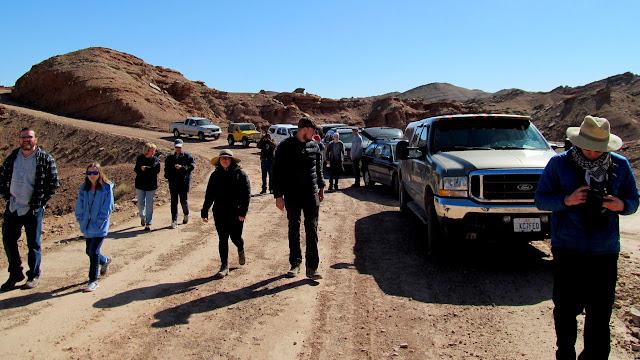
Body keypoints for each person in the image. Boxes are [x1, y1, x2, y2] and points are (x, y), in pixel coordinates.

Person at [535, 115, 639, 360]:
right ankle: (566, 353)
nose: (593, 153)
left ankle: (595, 356)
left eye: (599, 149)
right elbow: (540, 200)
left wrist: (621, 205)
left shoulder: (620, 166)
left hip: (605, 250)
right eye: (588, 147)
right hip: (568, 247)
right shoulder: (559, 164)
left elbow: (634, 201)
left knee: (600, 311)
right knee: (565, 308)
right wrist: (566, 201)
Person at [0, 127, 59, 291]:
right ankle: (15, 274)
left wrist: (40, 202)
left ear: (35, 139)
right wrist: (7, 196)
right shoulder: (13, 158)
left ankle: (33, 275)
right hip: (13, 207)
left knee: (33, 243)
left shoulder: (44, 158)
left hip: (33, 208)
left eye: (29, 137)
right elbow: (2, 177)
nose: (26, 140)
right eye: (23, 137)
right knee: (8, 239)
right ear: (19, 139)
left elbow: (53, 183)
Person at [272, 117, 325, 280]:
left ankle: (312, 268)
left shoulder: (314, 145)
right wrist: (278, 196)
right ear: (304, 129)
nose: (315, 133)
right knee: (293, 229)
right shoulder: (285, 147)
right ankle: (295, 263)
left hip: (311, 194)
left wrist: (321, 188)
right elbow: (276, 172)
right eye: (313, 130)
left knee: (312, 229)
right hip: (292, 195)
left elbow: (318, 168)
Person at [201, 150, 251, 279]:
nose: (224, 160)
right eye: (222, 158)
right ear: (219, 160)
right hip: (220, 211)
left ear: (231, 160)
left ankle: (240, 248)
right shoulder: (215, 175)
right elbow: (209, 194)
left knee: (235, 237)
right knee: (222, 238)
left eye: (227, 158)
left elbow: (246, 194)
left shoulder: (240, 174)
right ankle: (224, 266)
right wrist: (205, 209)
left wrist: (243, 212)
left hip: (236, 212)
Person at [75, 163, 114, 292]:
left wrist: (99, 222)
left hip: (99, 226)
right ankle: (105, 260)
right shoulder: (84, 187)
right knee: (89, 251)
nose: (92, 175)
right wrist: (80, 219)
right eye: (89, 173)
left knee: (93, 252)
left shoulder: (106, 187)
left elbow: (108, 207)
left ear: (99, 173)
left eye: (95, 172)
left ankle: (93, 281)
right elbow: (79, 204)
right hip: (87, 225)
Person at [164, 139, 194, 229]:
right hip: (173, 182)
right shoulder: (170, 158)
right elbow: (166, 168)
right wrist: (168, 176)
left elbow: (191, 166)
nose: (178, 149)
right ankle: (174, 220)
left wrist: (182, 168)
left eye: (179, 147)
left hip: (183, 182)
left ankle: (186, 214)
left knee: (183, 201)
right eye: (176, 147)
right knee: (174, 201)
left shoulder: (187, 156)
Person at [134, 142, 160, 231]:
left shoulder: (155, 160)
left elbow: (156, 170)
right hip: (140, 184)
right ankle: (142, 216)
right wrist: (142, 169)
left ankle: (148, 222)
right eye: (152, 151)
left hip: (151, 185)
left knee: (149, 204)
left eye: (154, 151)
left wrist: (146, 169)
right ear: (147, 151)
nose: (153, 152)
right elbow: (136, 169)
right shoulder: (140, 158)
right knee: (141, 204)